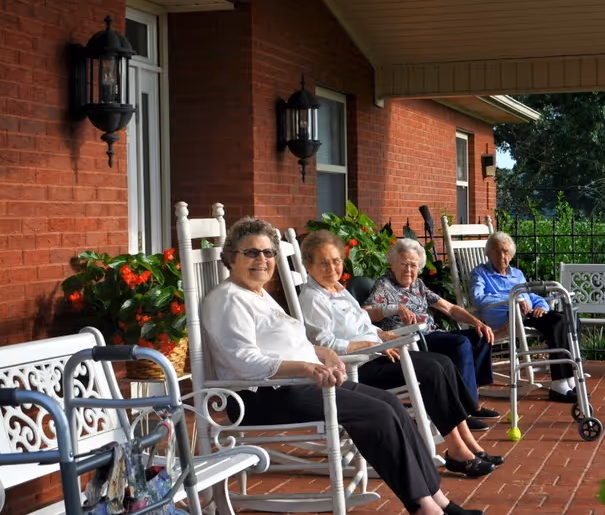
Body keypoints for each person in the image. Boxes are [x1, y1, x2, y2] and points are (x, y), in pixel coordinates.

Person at [201, 217, 483, 515]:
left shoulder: (259, 295)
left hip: (298, 385)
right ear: (232, 256)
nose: (263, 259)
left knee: (390, 404)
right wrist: (307, 368)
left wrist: (321, 352)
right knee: (377, 414)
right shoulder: (227, 299)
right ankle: (424, 507)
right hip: (261, 396)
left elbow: (288, 343)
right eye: (252, 252)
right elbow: (243, 362)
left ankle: (437, 498)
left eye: (268, 253)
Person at [298, 230, 503, 477]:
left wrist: (383, 336)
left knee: (443, 363)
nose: (332, 268)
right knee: (430, 371)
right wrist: (370, 346)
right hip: (357, 367)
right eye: (323, 262)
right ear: (308, 264)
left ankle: (471, 444)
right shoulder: (312, 297)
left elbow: (363, 324)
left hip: (378, 354)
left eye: (336, 261)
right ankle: (457, 452)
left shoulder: (338, 290)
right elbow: (325, 343)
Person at [362, 238, 499, 431]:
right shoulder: (385, 285)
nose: (408, 270)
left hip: (432, 334)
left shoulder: (418, 285)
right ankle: (464, 412)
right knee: (459, 344)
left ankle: (472, 402)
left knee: (480, 336)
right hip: (413, 338)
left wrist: (477, 322)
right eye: (403, 264)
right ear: (392, 264)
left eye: (413, 265)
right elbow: (365, 312)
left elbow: (450, 308)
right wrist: (393, 308)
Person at [470, 231, 577, 403]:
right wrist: (513, 299)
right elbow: (478, 298)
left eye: (505, 251)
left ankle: (567, 379)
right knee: (558, 323)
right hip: (507, 316)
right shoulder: (480, 273)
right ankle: (560, 384)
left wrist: (541, 306)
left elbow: (531, 297)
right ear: (488, 253)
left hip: (527, 314)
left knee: (567, 320)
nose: (501, 255)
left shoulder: (517, 274)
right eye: (496, 250)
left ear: (511, 255)